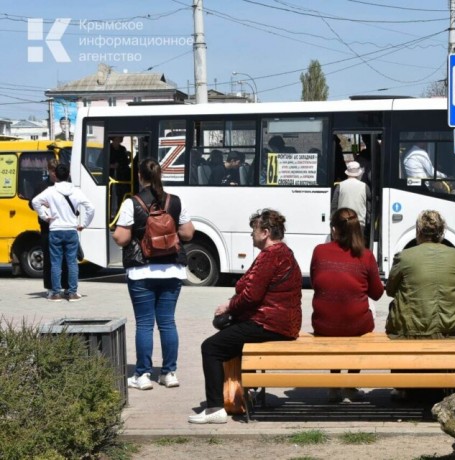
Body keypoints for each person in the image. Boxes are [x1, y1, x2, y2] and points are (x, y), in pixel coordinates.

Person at [190, 209, 302, 424]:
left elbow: (252, 296)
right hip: (282, 323)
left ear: (265, 232)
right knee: (229, 339)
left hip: (267, 323)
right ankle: (239, 394)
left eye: (254, 230)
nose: (251, 235)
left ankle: (215, 408)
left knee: (211, 347)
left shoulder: (271, 256)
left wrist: (228, 306)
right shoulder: (285, 252)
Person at [113, 158, 195, 391]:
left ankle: (142, 375)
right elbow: (188, 233)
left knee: (145, 324)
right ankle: (169, 373)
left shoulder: (133, 202)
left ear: (140, 176)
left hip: (142, 271)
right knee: (168, 323)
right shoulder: (175, 201)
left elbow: (122, 238)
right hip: (171, 270)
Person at [310, 207, 385, 403]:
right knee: (360, 318)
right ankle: (350, 386)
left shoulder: (319, 251)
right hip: (356, 325)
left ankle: (335, 385)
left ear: (334, 229)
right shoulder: (366, 255)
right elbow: (377, 294)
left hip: (323, 324)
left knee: (333, 316)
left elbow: (316, 282)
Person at [385, 210, 455, 339]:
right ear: (442, 232)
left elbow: (390, 290)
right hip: (454, 333)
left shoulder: (404, 257)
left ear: (418, 231)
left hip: (410, 334)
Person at [32, 163, 95, 302]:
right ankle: (72, 293)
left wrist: (45, 216)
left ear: (56, 175)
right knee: (72, 262)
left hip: (55, 230)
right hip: (71, 230)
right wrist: (84, 224)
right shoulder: (76, 191)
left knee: (55, 263)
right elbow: (91, 208)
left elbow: (35, 201)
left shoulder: (50, 191)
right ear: (68, 175)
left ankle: (55, 293)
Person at [29, 158, 67, 295]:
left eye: (56, 172)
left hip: (62, 225)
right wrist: (44, 206)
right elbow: (31, 203)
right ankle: (50, 287)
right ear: (49, 171)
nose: (54, 175)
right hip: (47, 227)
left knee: (64, 259)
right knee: (49, 259)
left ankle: (65, 286)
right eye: (52, 172)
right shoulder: (42, 186)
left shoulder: (65, 186)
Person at [330, 161, 370, 231]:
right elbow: (368, 207)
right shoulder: (365, 186)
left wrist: (333, 221)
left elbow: (334, 206)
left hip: (343, 222)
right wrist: (368, 221)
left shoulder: (340, 185)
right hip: (359, 223)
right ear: (359, 173)